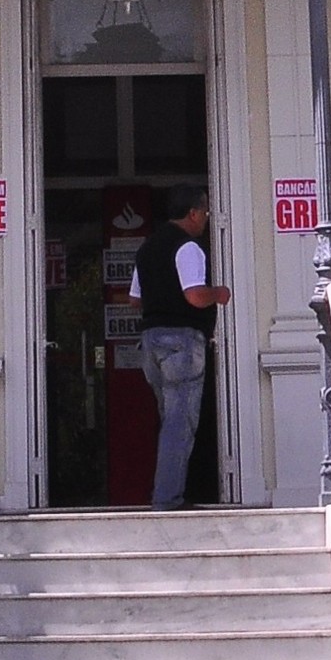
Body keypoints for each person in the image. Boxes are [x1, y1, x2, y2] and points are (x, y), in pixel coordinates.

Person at [132, 186, 228, 509]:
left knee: (168, 417)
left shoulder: (146, 249)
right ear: (193, 213)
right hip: (182, 341)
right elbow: (194, 295)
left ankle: (166, 491)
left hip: (151, 342)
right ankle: (168, 499)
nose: (205, 219)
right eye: (205, 212)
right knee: (179, 422)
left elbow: (135, 299)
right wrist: (220, 293)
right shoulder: (189, 248)